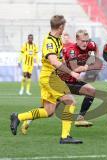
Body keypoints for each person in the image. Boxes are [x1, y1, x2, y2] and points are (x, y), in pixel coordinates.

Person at [10, 15, 83, 144]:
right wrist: (71, 72)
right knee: (70, 102)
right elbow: (54, 61)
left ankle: (18, 117)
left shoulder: (58, 39)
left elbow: (60, 59)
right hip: (50, 77)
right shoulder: (49, 42)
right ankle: (65, 137)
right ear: (60, 27)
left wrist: (71, 68)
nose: (64, 30)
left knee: (49, 111)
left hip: (50, 77)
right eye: (63, 27)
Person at [20, 30, 100, 134]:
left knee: (91, 91)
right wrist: (88, 66)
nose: (85, 43)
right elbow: (75, 68)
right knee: (50, 110)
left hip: (73, 81)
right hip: (62, 81)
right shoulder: (71, 50)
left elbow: (95, 48)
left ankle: (80, 119)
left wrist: (93, 58)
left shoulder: (91, 45)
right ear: (77, 40)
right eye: (82, 41)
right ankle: (27, 119)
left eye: (87, 41)